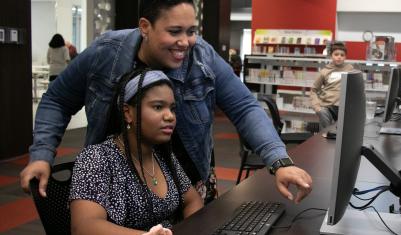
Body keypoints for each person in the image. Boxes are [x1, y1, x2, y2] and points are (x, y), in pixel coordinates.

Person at [21, 0, 311, 205]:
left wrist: (279, 160)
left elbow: (244, 106)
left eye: (191, 30)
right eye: (174, 31)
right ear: (145, 27)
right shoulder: (105, 53)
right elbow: (57, 100)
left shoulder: (202, 56)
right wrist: (42, 154)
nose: (185, 42)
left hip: (188, 185)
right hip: (118, 189)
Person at [70, 69, 203, 234]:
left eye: (172, 108)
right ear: (128, 113)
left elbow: (193, 200)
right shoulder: (97, 158)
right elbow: (84, 227)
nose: (170, 116)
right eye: (158, 107)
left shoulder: (161, 155)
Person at [310, 41, 355, 129]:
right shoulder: (324, 72)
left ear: (345, 57)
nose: (339, 57)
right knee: (325, 135)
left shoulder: (350, 69)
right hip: (327, 107)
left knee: (343, 135)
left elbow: (355, 87)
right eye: (336, 54)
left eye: (342, 55)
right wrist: (317, 107)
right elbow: (314, 90)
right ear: (331, 55)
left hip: (344, 108)